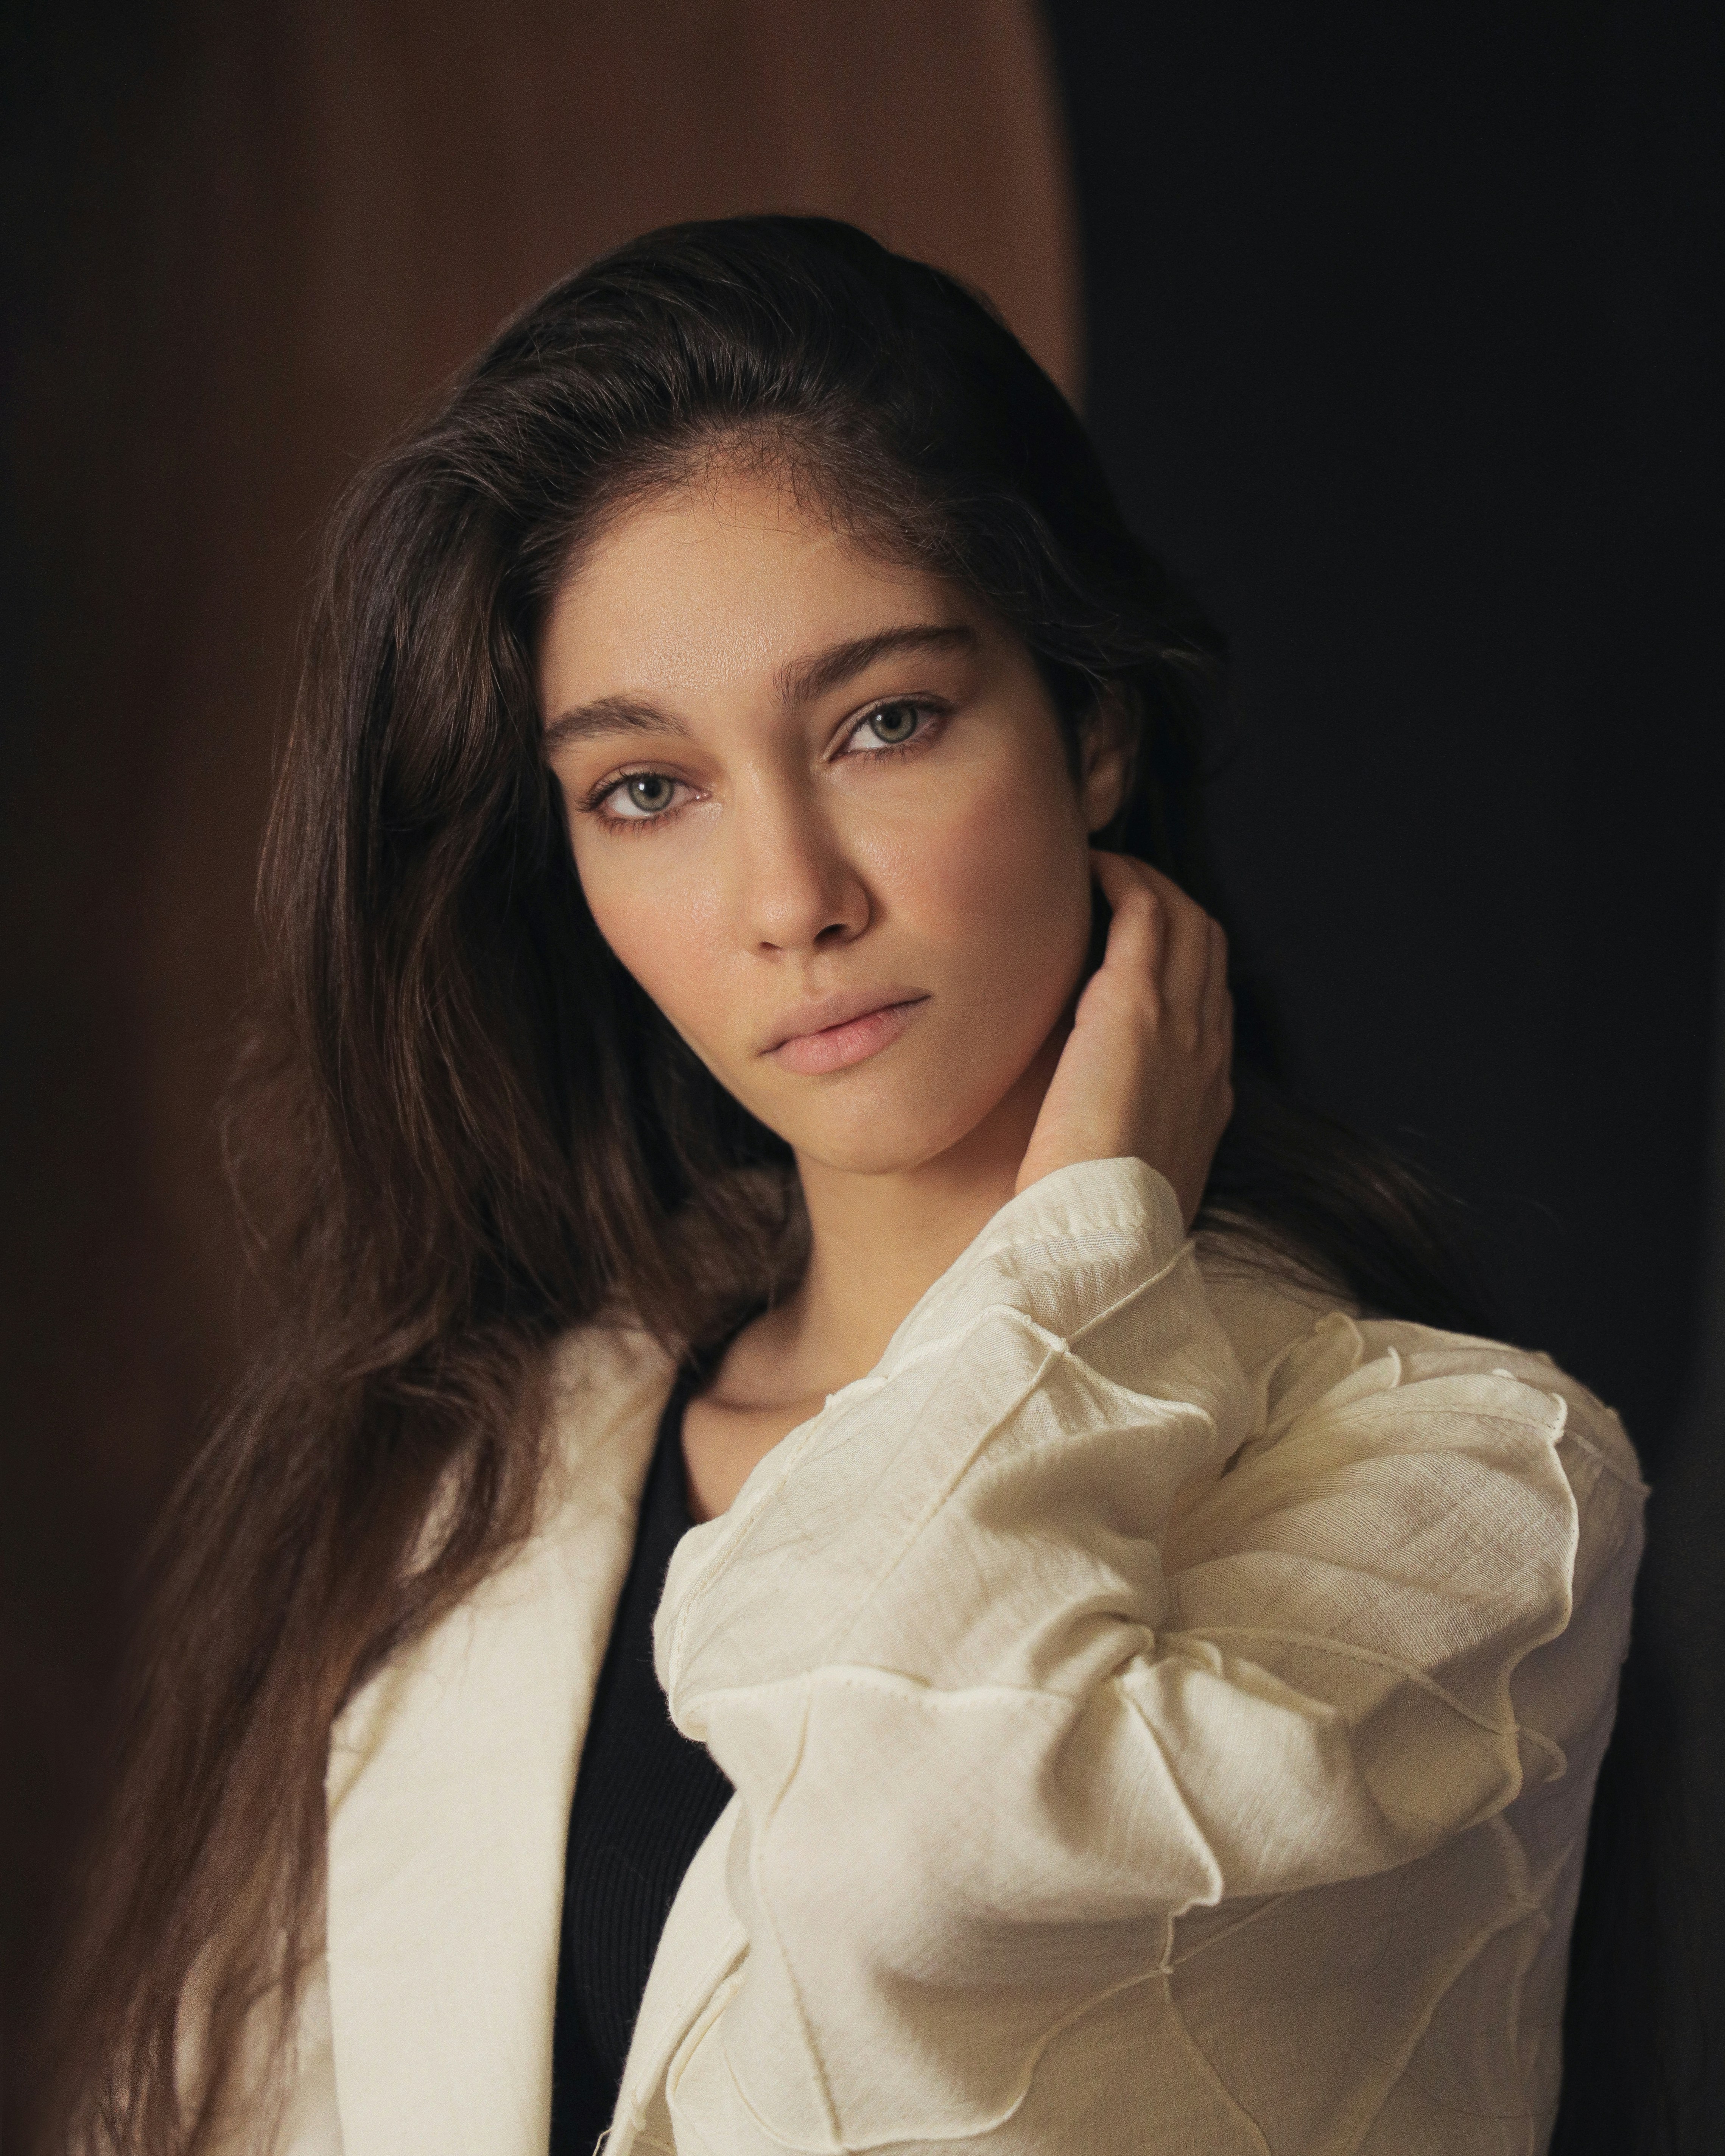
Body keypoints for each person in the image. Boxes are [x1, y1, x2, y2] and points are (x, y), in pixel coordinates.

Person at [49, 217, 1644, 2156]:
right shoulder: (477, 1475)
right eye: (649, 790)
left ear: (1093, 732)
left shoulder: (1472, 1490)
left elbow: (917, 1843)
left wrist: (1084, 1240)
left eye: (885, 723)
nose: (790, 898)